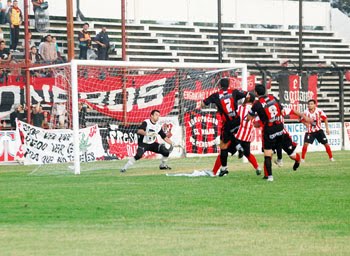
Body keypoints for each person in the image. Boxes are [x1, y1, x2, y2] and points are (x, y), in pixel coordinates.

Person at [247, 84, 309, 182]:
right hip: (280, 129)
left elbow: (251, 119)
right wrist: (303, 116)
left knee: (268, 153)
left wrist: (255, 120)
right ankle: (268, 174)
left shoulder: (257, 105)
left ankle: (271, 175)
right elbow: (289, 110)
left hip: (269, 130)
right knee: (276, 153)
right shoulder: (273, 98)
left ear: (256, 93)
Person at [201, 78, 247, 177]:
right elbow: (248, 95)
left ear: (219, 85)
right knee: (229, 137)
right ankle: (238, 147)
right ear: (229, 84)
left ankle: (224, 168)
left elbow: (203, 103)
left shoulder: (216, 95)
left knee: (223, 146)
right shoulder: (234, 92)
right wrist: (244, 104)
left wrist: (201, 105)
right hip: (237, 120)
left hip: (227, 123)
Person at [212, 95, 262, 176]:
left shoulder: (239, 108)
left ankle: (214, 171)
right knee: (248, 153)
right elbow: (257, 123)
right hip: (247, 136)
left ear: (247, 99)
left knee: (223, 151)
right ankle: (257, 167)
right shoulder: (255, 110)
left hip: (237, 136)